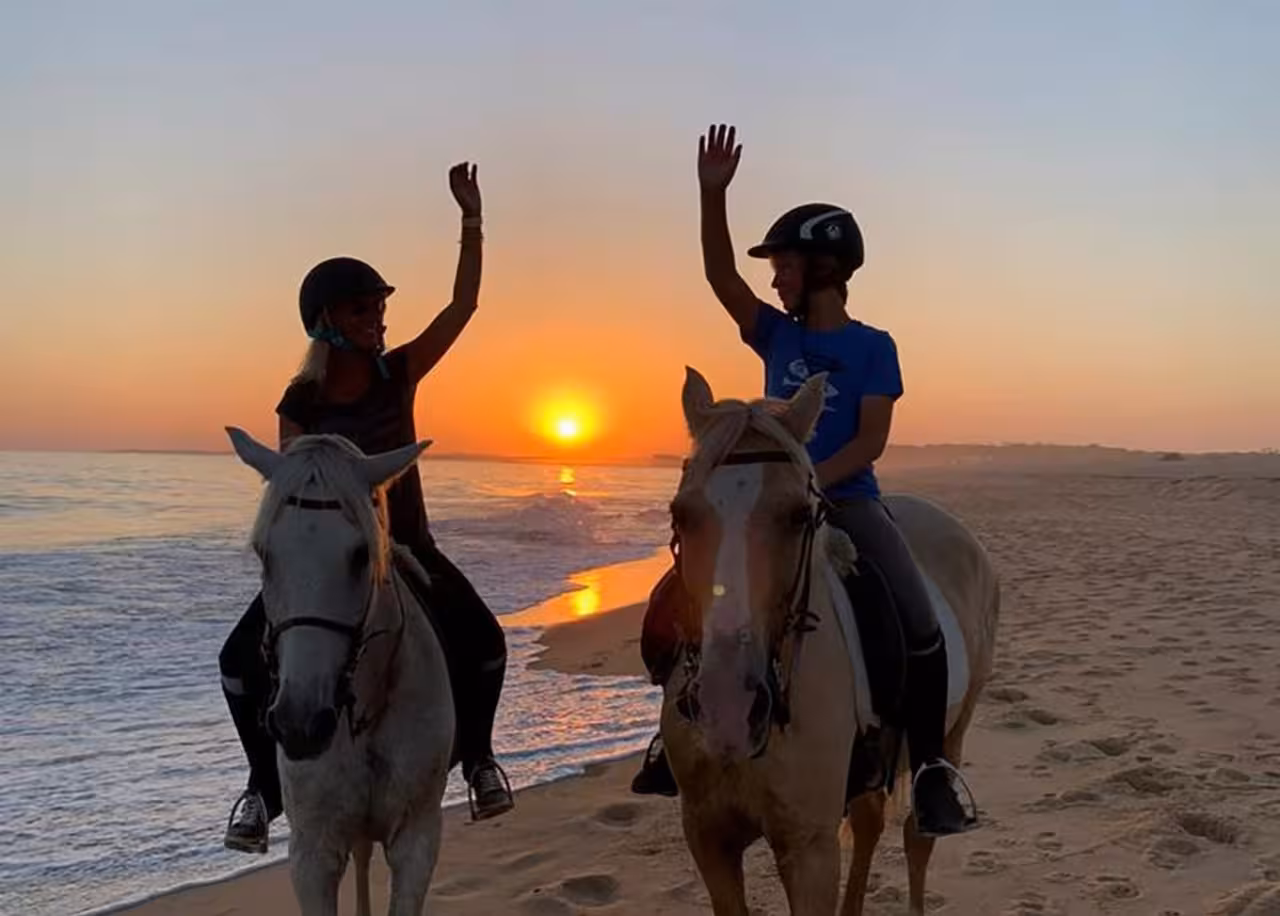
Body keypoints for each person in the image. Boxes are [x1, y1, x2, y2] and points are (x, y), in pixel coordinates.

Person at [631, 125, 974, 837]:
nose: (774, 278)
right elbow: (719, 277)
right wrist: (710, 194)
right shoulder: (776, 337)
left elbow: (872, 439)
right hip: (770, 510)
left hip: (849, 503)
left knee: (914, 618)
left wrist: (808, 482)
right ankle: (676, 738)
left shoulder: (872, 347)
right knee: (675, 603)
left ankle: (933, 767)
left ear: (822, 266)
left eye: (784, 264)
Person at [220, 162, 514, 855]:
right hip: (329, 566)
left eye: (380, 307)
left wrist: (471, 222)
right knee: (239, 662)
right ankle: (262, 788)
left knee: (485, 641)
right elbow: (294, 498)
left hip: (408, 546)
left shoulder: (398, 373)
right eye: (363, 309)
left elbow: (462, 309)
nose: (379, 319)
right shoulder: (301, 403)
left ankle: (478, 759)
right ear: (329, 322)